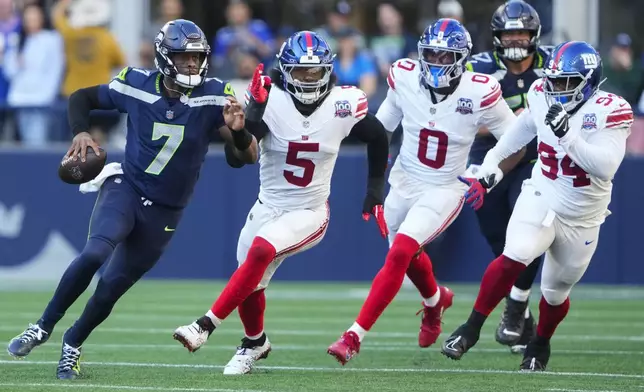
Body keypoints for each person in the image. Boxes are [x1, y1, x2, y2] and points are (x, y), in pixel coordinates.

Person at [6, 19, 258, 380]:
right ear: (164, 57)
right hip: (127, 186)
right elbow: (82, 97)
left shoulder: (215, 93)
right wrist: (79, 132)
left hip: (167, 210)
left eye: (196, 57)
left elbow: (242, 159)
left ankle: (72, 344)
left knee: (110, 288)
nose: (191, 65)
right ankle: (42, 326)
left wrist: (239, 131)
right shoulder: (136, 84)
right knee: (95, 252)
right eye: (184, 58)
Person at [172, 31, 389, 375]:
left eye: (314, 72)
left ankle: (204, 325)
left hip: (310, 210)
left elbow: (377, 137)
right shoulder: (269, 100)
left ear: (327, 71)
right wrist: (248, 120)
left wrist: (375, 189)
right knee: (249, 280)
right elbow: (236, 157)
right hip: (267, 205)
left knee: (260, 252)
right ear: (285, 71)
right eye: (300, 72)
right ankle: (254, 342)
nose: (307, 78)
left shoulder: (343, 103)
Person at [326, 18, 524, 366]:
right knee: (408, 254)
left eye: (445, 56)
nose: (436, 62)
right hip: (403, 181)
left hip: (445, 187)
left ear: (461, 59)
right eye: (431, 53)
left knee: (401, 251)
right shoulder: (403, 76)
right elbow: (381, 128)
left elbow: (515, 139)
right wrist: (339, 127)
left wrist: (487, 175)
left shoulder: (479, 91)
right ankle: (435, 302)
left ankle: (353, 336)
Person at [441, 41, 633, 371]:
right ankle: (470, 329)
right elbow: (516, 135)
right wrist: (489, 172)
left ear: (588, 82)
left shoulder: (609, 110)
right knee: (514, 254)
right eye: (553, 79)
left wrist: (569, 137)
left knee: (555, 293)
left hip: (583, 216)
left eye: (566, 81)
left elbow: (606, 166)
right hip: (542, 192)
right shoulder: (541, 94)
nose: (556, 87)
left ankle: (540, 343)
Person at [466, 0, 553, 353]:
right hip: (490, 157)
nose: (515, 38)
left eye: (521, 31)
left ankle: (516, 305)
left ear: (533, 35)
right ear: (497, 36)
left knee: (528, 226)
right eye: (509, 32)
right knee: (499, 242)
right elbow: (463, 119)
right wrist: (510, 121)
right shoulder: (479, 68)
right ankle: (524, 313)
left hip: (536, 158)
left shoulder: (553, 64)